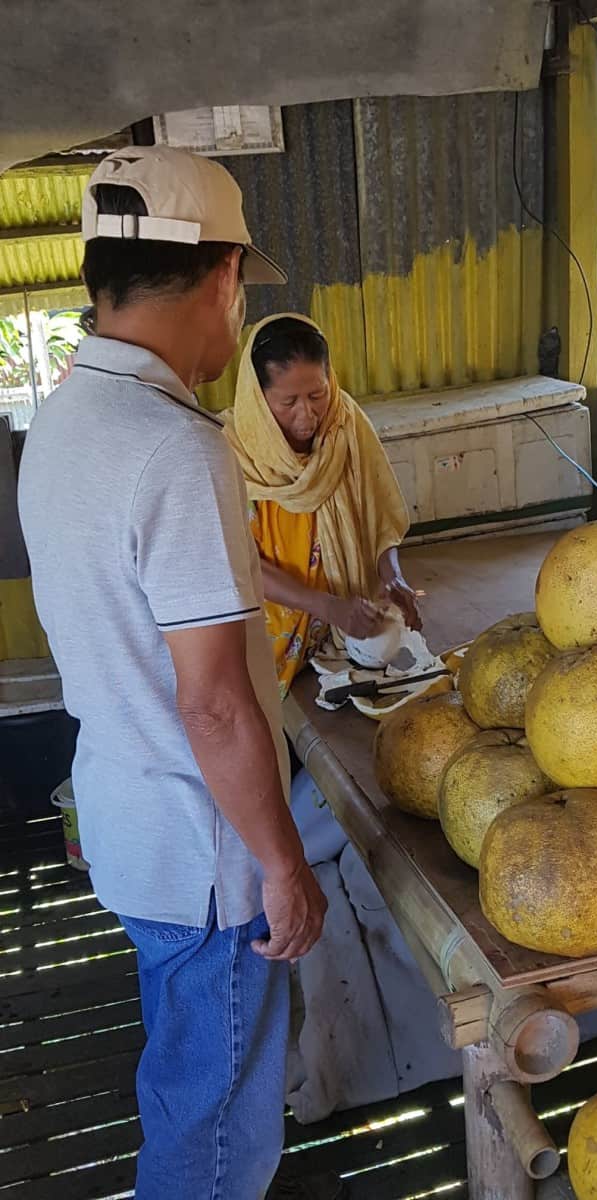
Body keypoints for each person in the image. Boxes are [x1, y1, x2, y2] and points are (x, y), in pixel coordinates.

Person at [18, 146, 327, 1200]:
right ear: (225, 276)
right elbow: (212, 701)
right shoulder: (172, 443)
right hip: (205, 854)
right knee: (216, 1122)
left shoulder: (63, 419)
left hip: (125, 815)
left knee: (186, 1069)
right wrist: (280, 865)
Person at [223, 314, 420, 697]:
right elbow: (238, 564)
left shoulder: (344, 423)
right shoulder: (232, 455)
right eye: (288, 402)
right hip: (269, 647)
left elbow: (380, 513)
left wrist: (391, 573)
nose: (307, 414)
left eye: (317, 394)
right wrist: (327, 606)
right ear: (257, 398)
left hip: (342, 635)